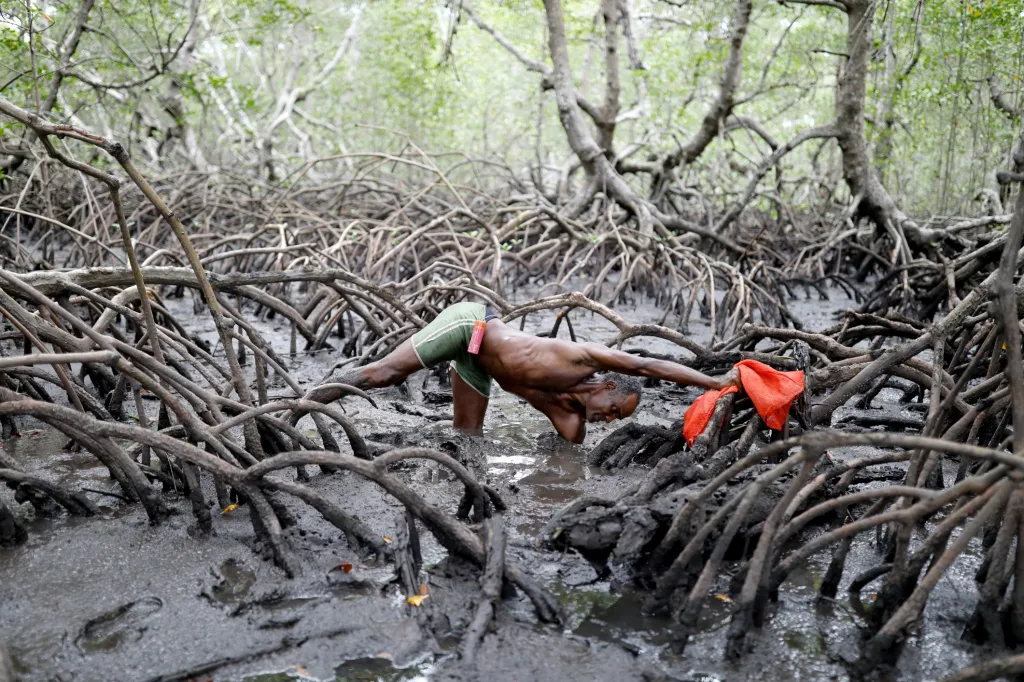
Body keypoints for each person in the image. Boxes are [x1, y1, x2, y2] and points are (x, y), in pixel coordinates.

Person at [324, 302, 740, 444]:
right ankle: (304, 401)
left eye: (616, 421)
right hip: (474, 326)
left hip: (475, 363)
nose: (607, 421)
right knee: (384, 375)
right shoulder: (584, 358)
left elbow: (569, 457)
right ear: (609, 385)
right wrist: (715, 383)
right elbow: (649, 364)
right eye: (614, 410)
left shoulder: (570, 419)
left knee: (468, 440)